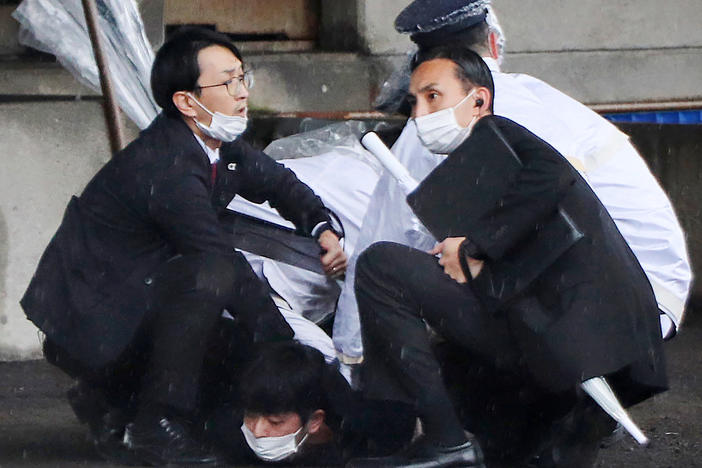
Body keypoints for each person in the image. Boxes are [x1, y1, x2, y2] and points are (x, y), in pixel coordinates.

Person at [20, 27, 346, 465]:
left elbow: (281, 184)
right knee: (211, 280)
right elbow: (219, 261)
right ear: (186, 102)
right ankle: (154, 422)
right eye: (226, 82)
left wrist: (323, 228)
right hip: (88, 318)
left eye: (242, 77)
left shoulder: (217, 146)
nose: (241, 93)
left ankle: (114, 400)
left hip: (131, 298)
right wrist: (285, 351)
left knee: (231, 354)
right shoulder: (168, 166)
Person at [347, 47, 667, 468]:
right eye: (414, 102)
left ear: (478, 100)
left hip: (570, 337)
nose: (420, 114)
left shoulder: (497, 135)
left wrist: (474, 246)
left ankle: (445, 444)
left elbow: (551, 174)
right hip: (560, 342)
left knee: (381, 267)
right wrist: (468, 256)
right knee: (446, 354)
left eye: (433, 96)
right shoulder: (474, 166)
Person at [332, 0, 692, 363]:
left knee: (397, 269)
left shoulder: (450, 119)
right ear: (492, 43)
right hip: (656, 292)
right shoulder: (533, 93)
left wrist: (351, 356)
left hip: (605, 308)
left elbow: (388, 233)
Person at [202, 341, 416, 465]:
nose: (257, 431)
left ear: (314, 420)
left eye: (275, 422)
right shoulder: (226, 434)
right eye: (250, 415)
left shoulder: (368, 438)